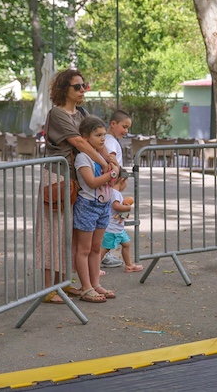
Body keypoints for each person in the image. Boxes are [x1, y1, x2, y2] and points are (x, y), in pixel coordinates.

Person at [37, 69, 118, 304]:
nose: (83, 90)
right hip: (57, 178)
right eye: (78, 87)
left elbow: (94, 137)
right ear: (65, 89)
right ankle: (48, 289)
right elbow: (80, 142)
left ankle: (64, 283)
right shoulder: (57, 114)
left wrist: (110, 160)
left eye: (84, 86)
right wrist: (105, 164)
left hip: (75, 181)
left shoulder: (82, 112)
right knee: (53, 232)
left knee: (70, 235)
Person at [70, 116, 119, 303]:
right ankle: (86, 287)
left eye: (104, 135)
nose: (102, 139)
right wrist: (111, 173)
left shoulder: (103, 158)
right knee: (84, 249)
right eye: (97, 135)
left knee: (96, 247)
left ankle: (95, 283)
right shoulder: (83, 158)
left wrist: (113, 166)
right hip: (88, 205)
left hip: (103, 205)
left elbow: (116, 175)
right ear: (85, 137)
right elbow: (91, 182)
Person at [101, 172, 142, 272]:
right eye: (126, 182)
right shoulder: (115, 193)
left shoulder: (112, 192)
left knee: (126, 244)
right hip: (112, 228)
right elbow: (116, 206)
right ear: (122, 180)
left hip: (118, 228)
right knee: (105, 249)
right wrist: (127, 208)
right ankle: (94, 268)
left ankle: (129, 265)